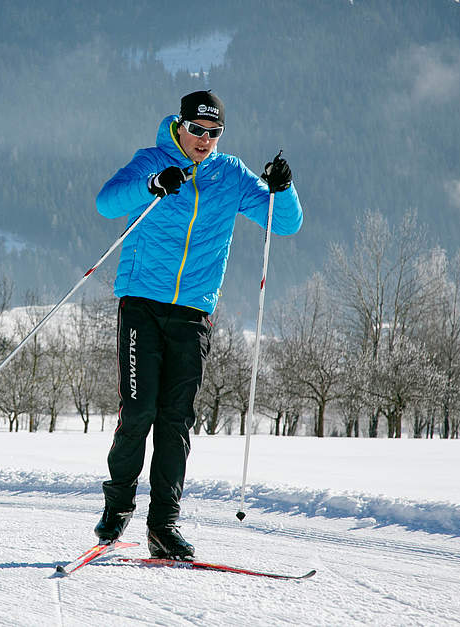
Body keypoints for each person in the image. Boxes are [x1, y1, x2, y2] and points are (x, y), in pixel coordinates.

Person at [93, 90, 303, 559]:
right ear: (180, 125)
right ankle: (117, 510)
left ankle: (163, 525)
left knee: (176, 420)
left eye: (214, 133)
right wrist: (151, 184)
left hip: (193, 312)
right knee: (139, 410)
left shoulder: (229, 175)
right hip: (141, 302)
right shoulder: (152, 159)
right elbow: (107, 203)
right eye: (197, 130)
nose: (204, 140)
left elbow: (283, 223)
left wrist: (283, 188)